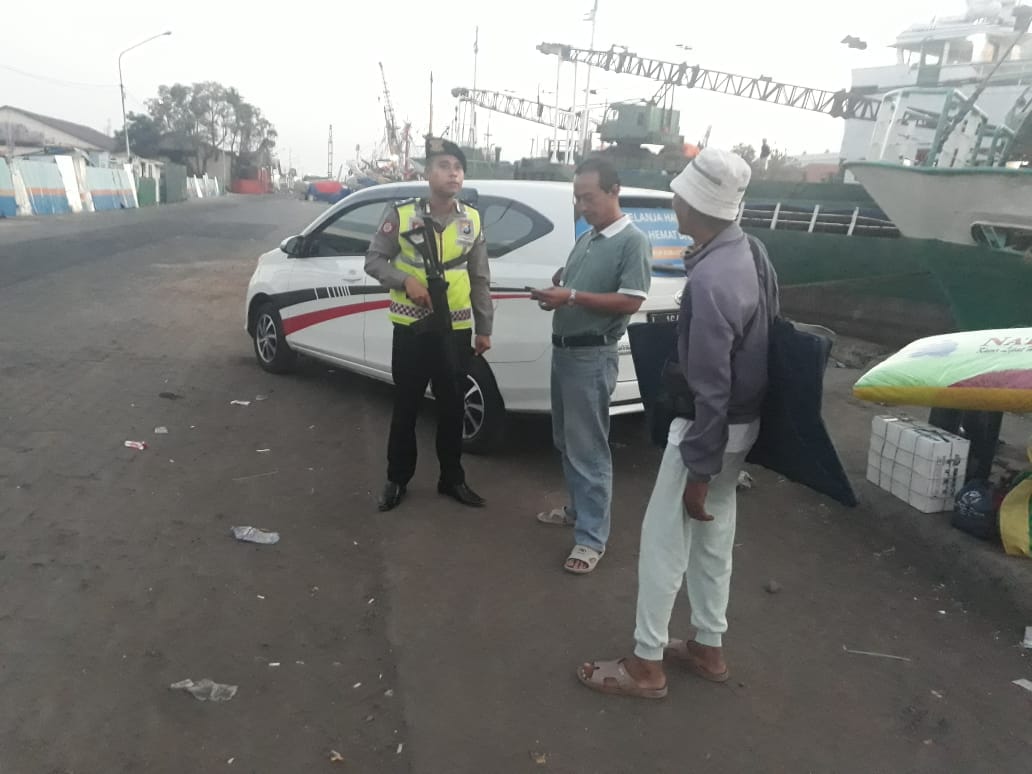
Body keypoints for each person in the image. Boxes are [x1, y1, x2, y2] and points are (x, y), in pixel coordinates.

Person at [577, 147, 780, 698]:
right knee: (714, 537)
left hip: (705, 430)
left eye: (679, 194)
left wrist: (698, 469)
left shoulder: (712, 279)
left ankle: (645, 664)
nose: (673, 201)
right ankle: (709, 646)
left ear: (696, 203)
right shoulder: (751, 252)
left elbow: (712, 387)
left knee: (665, 541)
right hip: (742, 427)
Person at [530, 157, 653, 575]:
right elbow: (575, 290)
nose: (582, 206)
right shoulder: (587, 238)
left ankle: (591, 538)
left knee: (589, 449)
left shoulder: (632, 241)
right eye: (577, 199)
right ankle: (577, 511)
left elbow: (631, 300)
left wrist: (571, 296)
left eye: (589, 197)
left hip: (591, 356)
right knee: (566, 440)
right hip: (565, 353)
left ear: (614, 191)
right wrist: (559, 293)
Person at [364, 137, 493, 512]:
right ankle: (397, 479)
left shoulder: (472, 220)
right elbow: (374, 260)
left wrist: (484, 326)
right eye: (444, 166)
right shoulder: (403, 214)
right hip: (412, 329)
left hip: (455, 330)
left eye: (458, 167)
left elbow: (480, 277)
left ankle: (452, 478)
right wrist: (406, 281)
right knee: (406, 406)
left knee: (452, 408)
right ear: (427, 173)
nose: (453, 173)